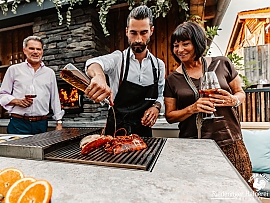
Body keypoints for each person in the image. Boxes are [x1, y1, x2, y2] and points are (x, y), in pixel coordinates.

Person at [164, 21, 254, 189]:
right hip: (193, 146)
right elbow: (170, 116)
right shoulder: (172, 80)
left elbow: (240, 93)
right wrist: (193, 108)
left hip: (229, 140)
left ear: (197, 43)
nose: (180, 50)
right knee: (202, 192)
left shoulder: (222, 63)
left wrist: (233, 100)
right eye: (176, 45)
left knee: (241, 191)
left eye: (185, 44)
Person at [84, 5, 165, 137]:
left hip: (143, 132)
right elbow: (93, 63)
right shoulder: (118, 59)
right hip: (115, 131)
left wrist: (156, 107)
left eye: (143, 32)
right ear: (127, 31)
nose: (138, 39)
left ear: (151, 31)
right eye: (133, 33)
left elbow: (160, 95)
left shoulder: (158, 65)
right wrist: (99, 76)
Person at [0, 36, 64, 134]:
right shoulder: (14, 70)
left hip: (41, 124)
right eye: (32, 48)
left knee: (40, 149)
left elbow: (55, 99)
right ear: (24, 50)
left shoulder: (49, 73)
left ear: (42, 51)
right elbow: (1, 95)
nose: (35, 52)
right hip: (18, 123)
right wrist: (16, 101)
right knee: (17, 149)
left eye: (38, 49)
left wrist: (59, 122)